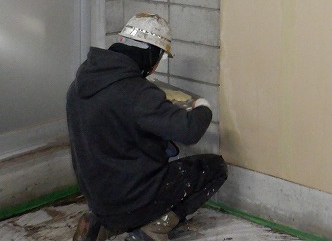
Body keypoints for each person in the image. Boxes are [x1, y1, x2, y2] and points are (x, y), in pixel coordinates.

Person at [66, 13, 227, 241]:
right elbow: (190, 131)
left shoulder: (81, 83)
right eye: (159, 58)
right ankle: (153, 227)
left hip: (97, 196)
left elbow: (117, 125)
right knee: (214, 168)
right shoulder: (137, 93)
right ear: (152, 53)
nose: (156, 67)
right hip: (132, 198)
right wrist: (203, 107)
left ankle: (102, 225)